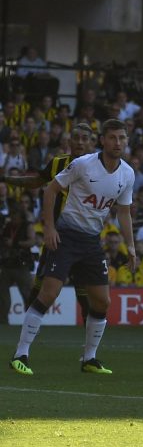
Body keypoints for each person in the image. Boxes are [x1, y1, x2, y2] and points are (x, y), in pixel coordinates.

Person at [9, 119, 137, 376]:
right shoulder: (82, 164)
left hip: (91, 241)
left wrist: (131, 246)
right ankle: (20, 354)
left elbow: (124, 212)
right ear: (102, 140)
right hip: (66, 236)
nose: (118, 143)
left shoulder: (127, 174)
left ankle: (89, 358)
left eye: (122, 138)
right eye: (113, 138)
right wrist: (49, 229)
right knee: (49, 294)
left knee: (102, 301)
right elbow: (51, 191)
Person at [5, 123, 96, 321]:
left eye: (85, 138)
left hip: (83, 238)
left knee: (84, 295)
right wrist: (6, 179)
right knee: (38, 288)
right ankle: (25, 339)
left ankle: (90, 348)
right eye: (76, 137)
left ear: (91, 142)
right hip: (57, 236)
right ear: (69, 141)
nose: (80, 142)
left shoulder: (100, 168)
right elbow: (36, 182)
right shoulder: (57, 163)